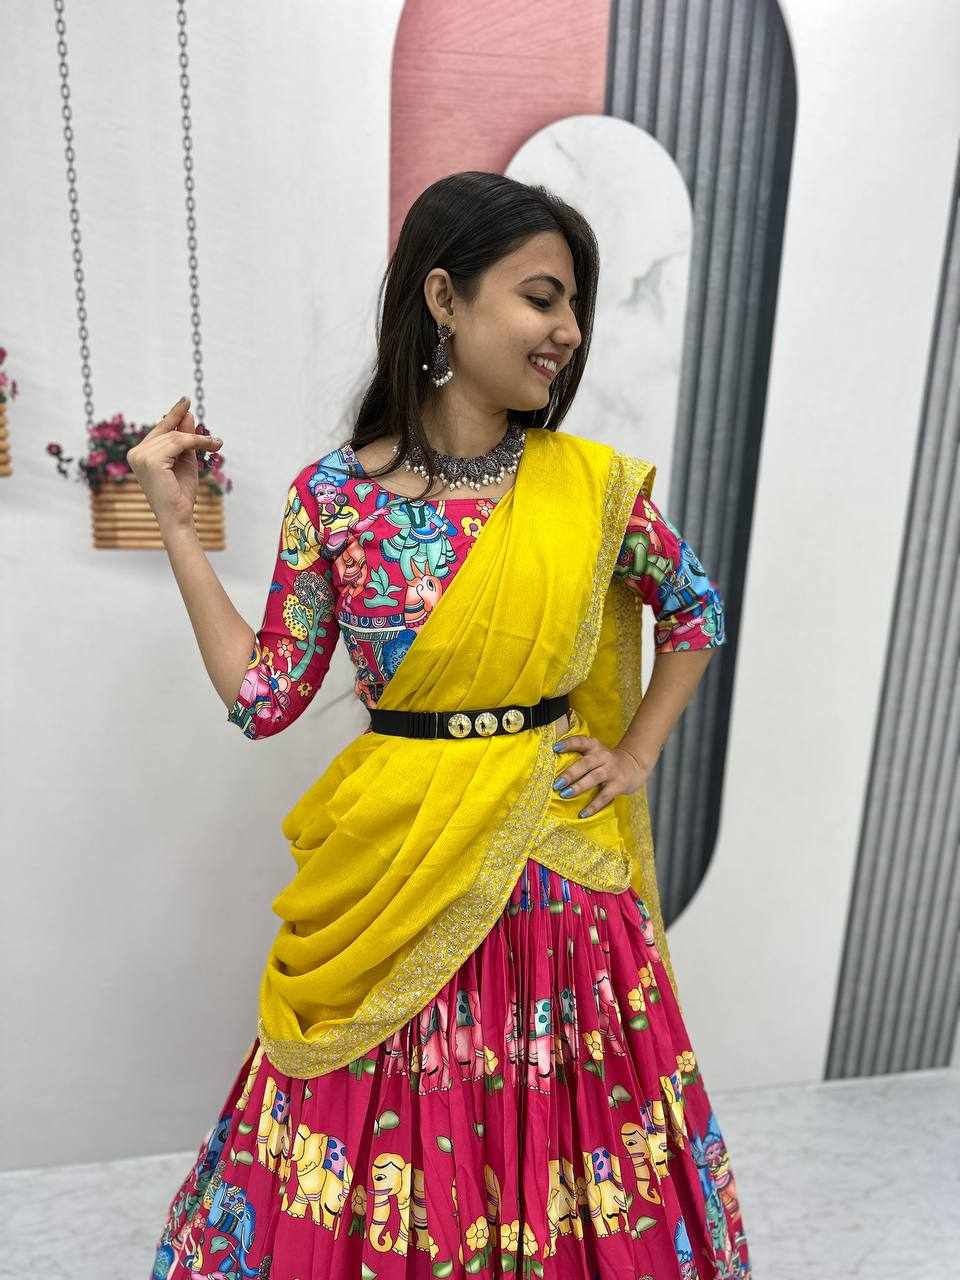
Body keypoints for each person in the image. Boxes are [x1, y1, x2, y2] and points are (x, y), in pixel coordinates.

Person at [133, 172, 751, 1280]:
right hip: (391, 873)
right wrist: (180, 528)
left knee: (560, 1153)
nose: (569, 332)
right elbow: (265, 696)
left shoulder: (589, 487)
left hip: (556, 895)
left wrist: (637, 752)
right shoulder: (334, 499)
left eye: (575, 307)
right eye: (542, 298)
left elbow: (694, 609)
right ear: (444, 298)